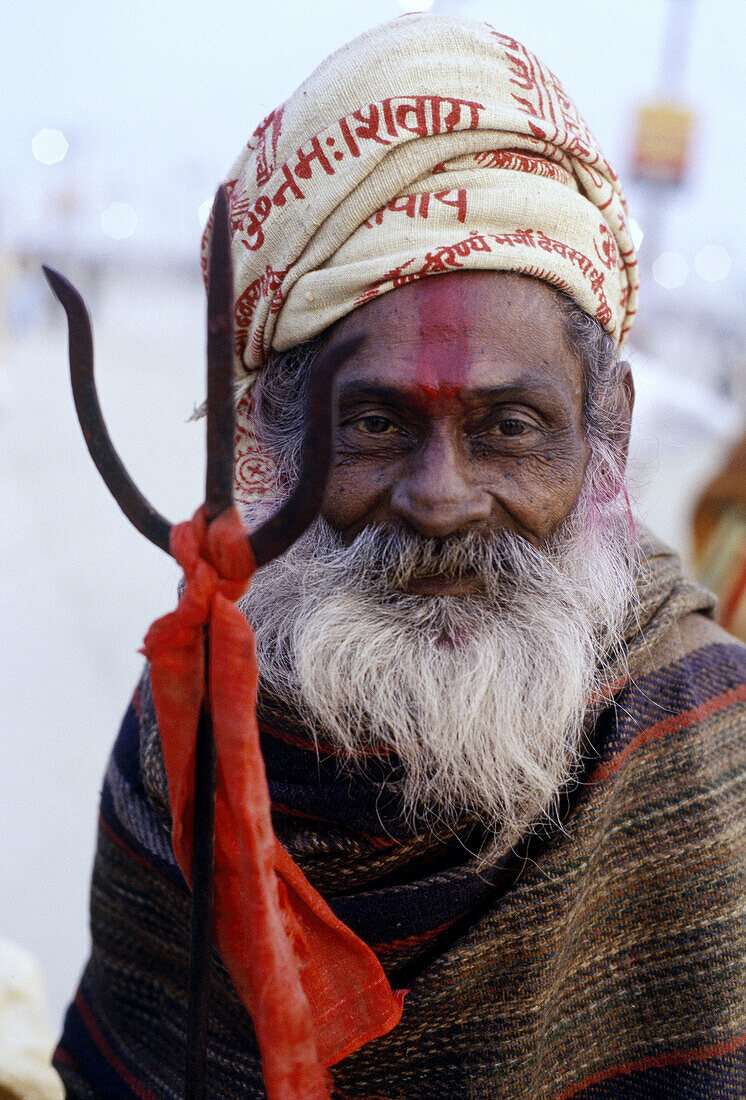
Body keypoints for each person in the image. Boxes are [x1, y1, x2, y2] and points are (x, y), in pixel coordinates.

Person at [54, 14, 746, 1099]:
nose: (439, 499)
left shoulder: (703, 735)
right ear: (272, 432)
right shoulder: (193, 709)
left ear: (601, 430)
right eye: (372, 425)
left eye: (509, 428)